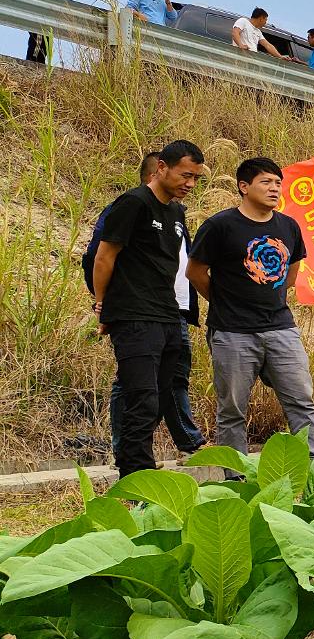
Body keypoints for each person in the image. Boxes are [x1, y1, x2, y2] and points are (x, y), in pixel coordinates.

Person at [187, 157, 314, 456]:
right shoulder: (220, 226)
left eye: (278, 183)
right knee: (232, 408)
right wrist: (224, 300)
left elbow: (292, 271)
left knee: (301, 400)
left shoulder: (288, 225)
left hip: (281, 327)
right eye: (266, 182)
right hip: (232, 331)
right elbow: (195, 272)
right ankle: (235, 477)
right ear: (244, 186)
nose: (275, 189)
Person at [92, 141, 207, 476]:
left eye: (196, 178)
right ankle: (136, 477)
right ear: (161, 168)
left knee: (162, 396)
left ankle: (135, 465)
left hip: (169, 315)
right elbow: (104, 256)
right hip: (134, 315)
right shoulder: (133, 202)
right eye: (186, 175)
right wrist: (103, 304)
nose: (190, 184)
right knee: (140, 398)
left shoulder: (176, 211)